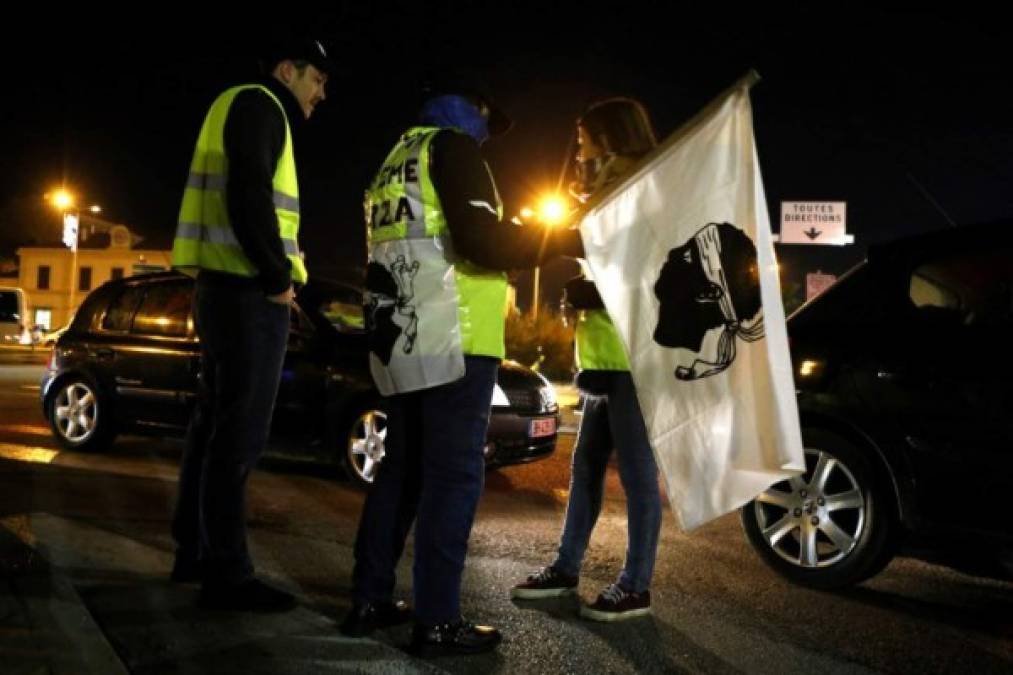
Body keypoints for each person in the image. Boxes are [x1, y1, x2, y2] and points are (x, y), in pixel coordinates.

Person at [341, 71, 581, 656]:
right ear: (468, 109)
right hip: (456, 337)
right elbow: (484, 244)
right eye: (485, 121)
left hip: (400, 337)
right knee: (452, 479)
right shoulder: (451, 148)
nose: (485, 137)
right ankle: (438, 618)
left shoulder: (394, 160)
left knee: (402, 471)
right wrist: (563, 240)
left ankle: (369, 598)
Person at [168, 37, 331, 612]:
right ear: (288, 70)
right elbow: (249, 193)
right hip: (246, 294)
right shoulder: (262, 105)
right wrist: (276, 274)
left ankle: (195, 551)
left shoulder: (235, 104)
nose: (321, 94)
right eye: (317, 80)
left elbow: (243, 193)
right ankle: (227, 575)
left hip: (219, 288)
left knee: (212, 428)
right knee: (238, 437)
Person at [511, 98, 664, 621]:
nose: (577, 152)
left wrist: (595, 294)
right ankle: (566, 567)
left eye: (583, 142)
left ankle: (636, 584)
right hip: (600, 356)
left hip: (633, 358)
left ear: (610, 140)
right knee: (585, 467)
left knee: (639, 474)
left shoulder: (642, 193)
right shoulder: (603, 194)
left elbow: (652, 272)